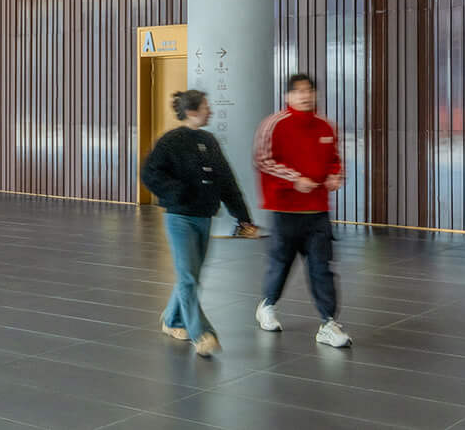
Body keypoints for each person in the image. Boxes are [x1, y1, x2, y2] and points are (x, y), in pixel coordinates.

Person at [137, 88, 261, 356]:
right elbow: (149, 173)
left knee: (190, 275)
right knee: (188, 276)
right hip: (179, 218)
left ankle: (171, 320)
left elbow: (227, 182)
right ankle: (201, 334)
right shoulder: (171, 141)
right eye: (206, 107)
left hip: (204, 218)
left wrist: (243, 218)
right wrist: (175, 192)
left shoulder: (209, 141)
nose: (210, 111)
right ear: (192, 111)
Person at [252, 72, 349, 348]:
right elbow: (263, 160)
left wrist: (335, 175)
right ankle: (267, 305)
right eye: (298, 91)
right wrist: (294, 179)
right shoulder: (274, 125)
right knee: (280, 263)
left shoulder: (326, 127)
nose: (305, 95)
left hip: (317, 212)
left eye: (309, 90)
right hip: (285, 210)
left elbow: (335, 161)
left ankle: (329, 323)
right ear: (288, 96)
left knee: (322, 268)